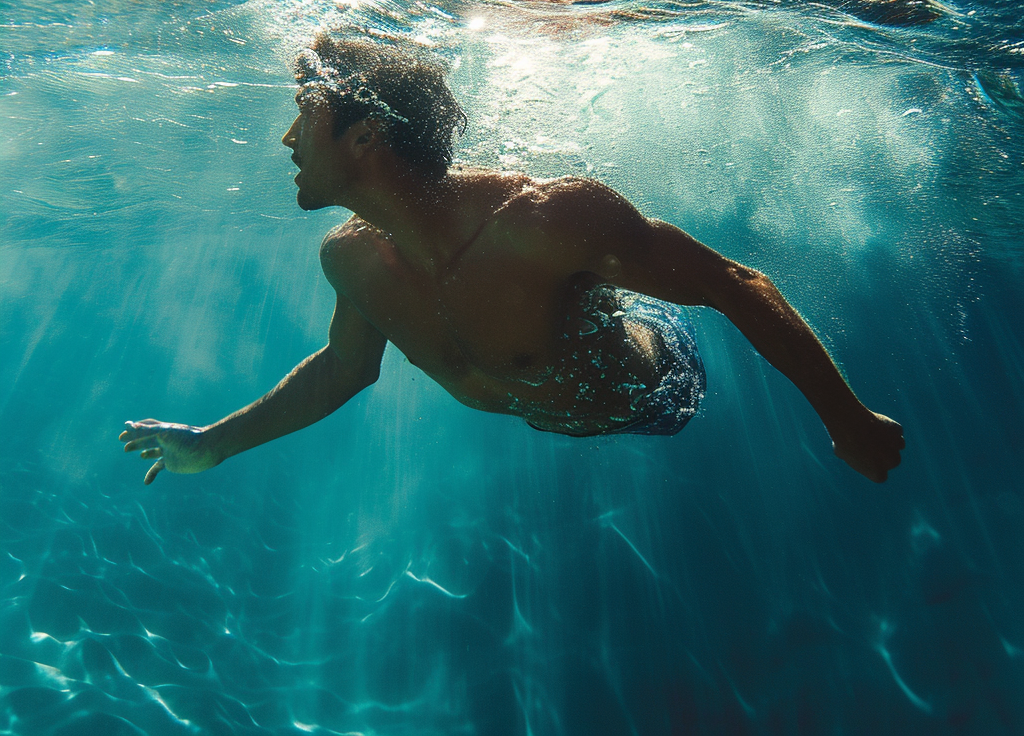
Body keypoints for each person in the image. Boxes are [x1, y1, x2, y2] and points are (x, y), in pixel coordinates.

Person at [120, 33, 905, 484]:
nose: (287, 139)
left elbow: (734, 285)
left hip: (659, 389)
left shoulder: (545, 221)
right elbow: (342, 370)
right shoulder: (352, 262)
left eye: (303, 114)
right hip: (558, 415)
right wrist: (214, 441)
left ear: (364, 136)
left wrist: (848, 420)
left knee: (643, 315)